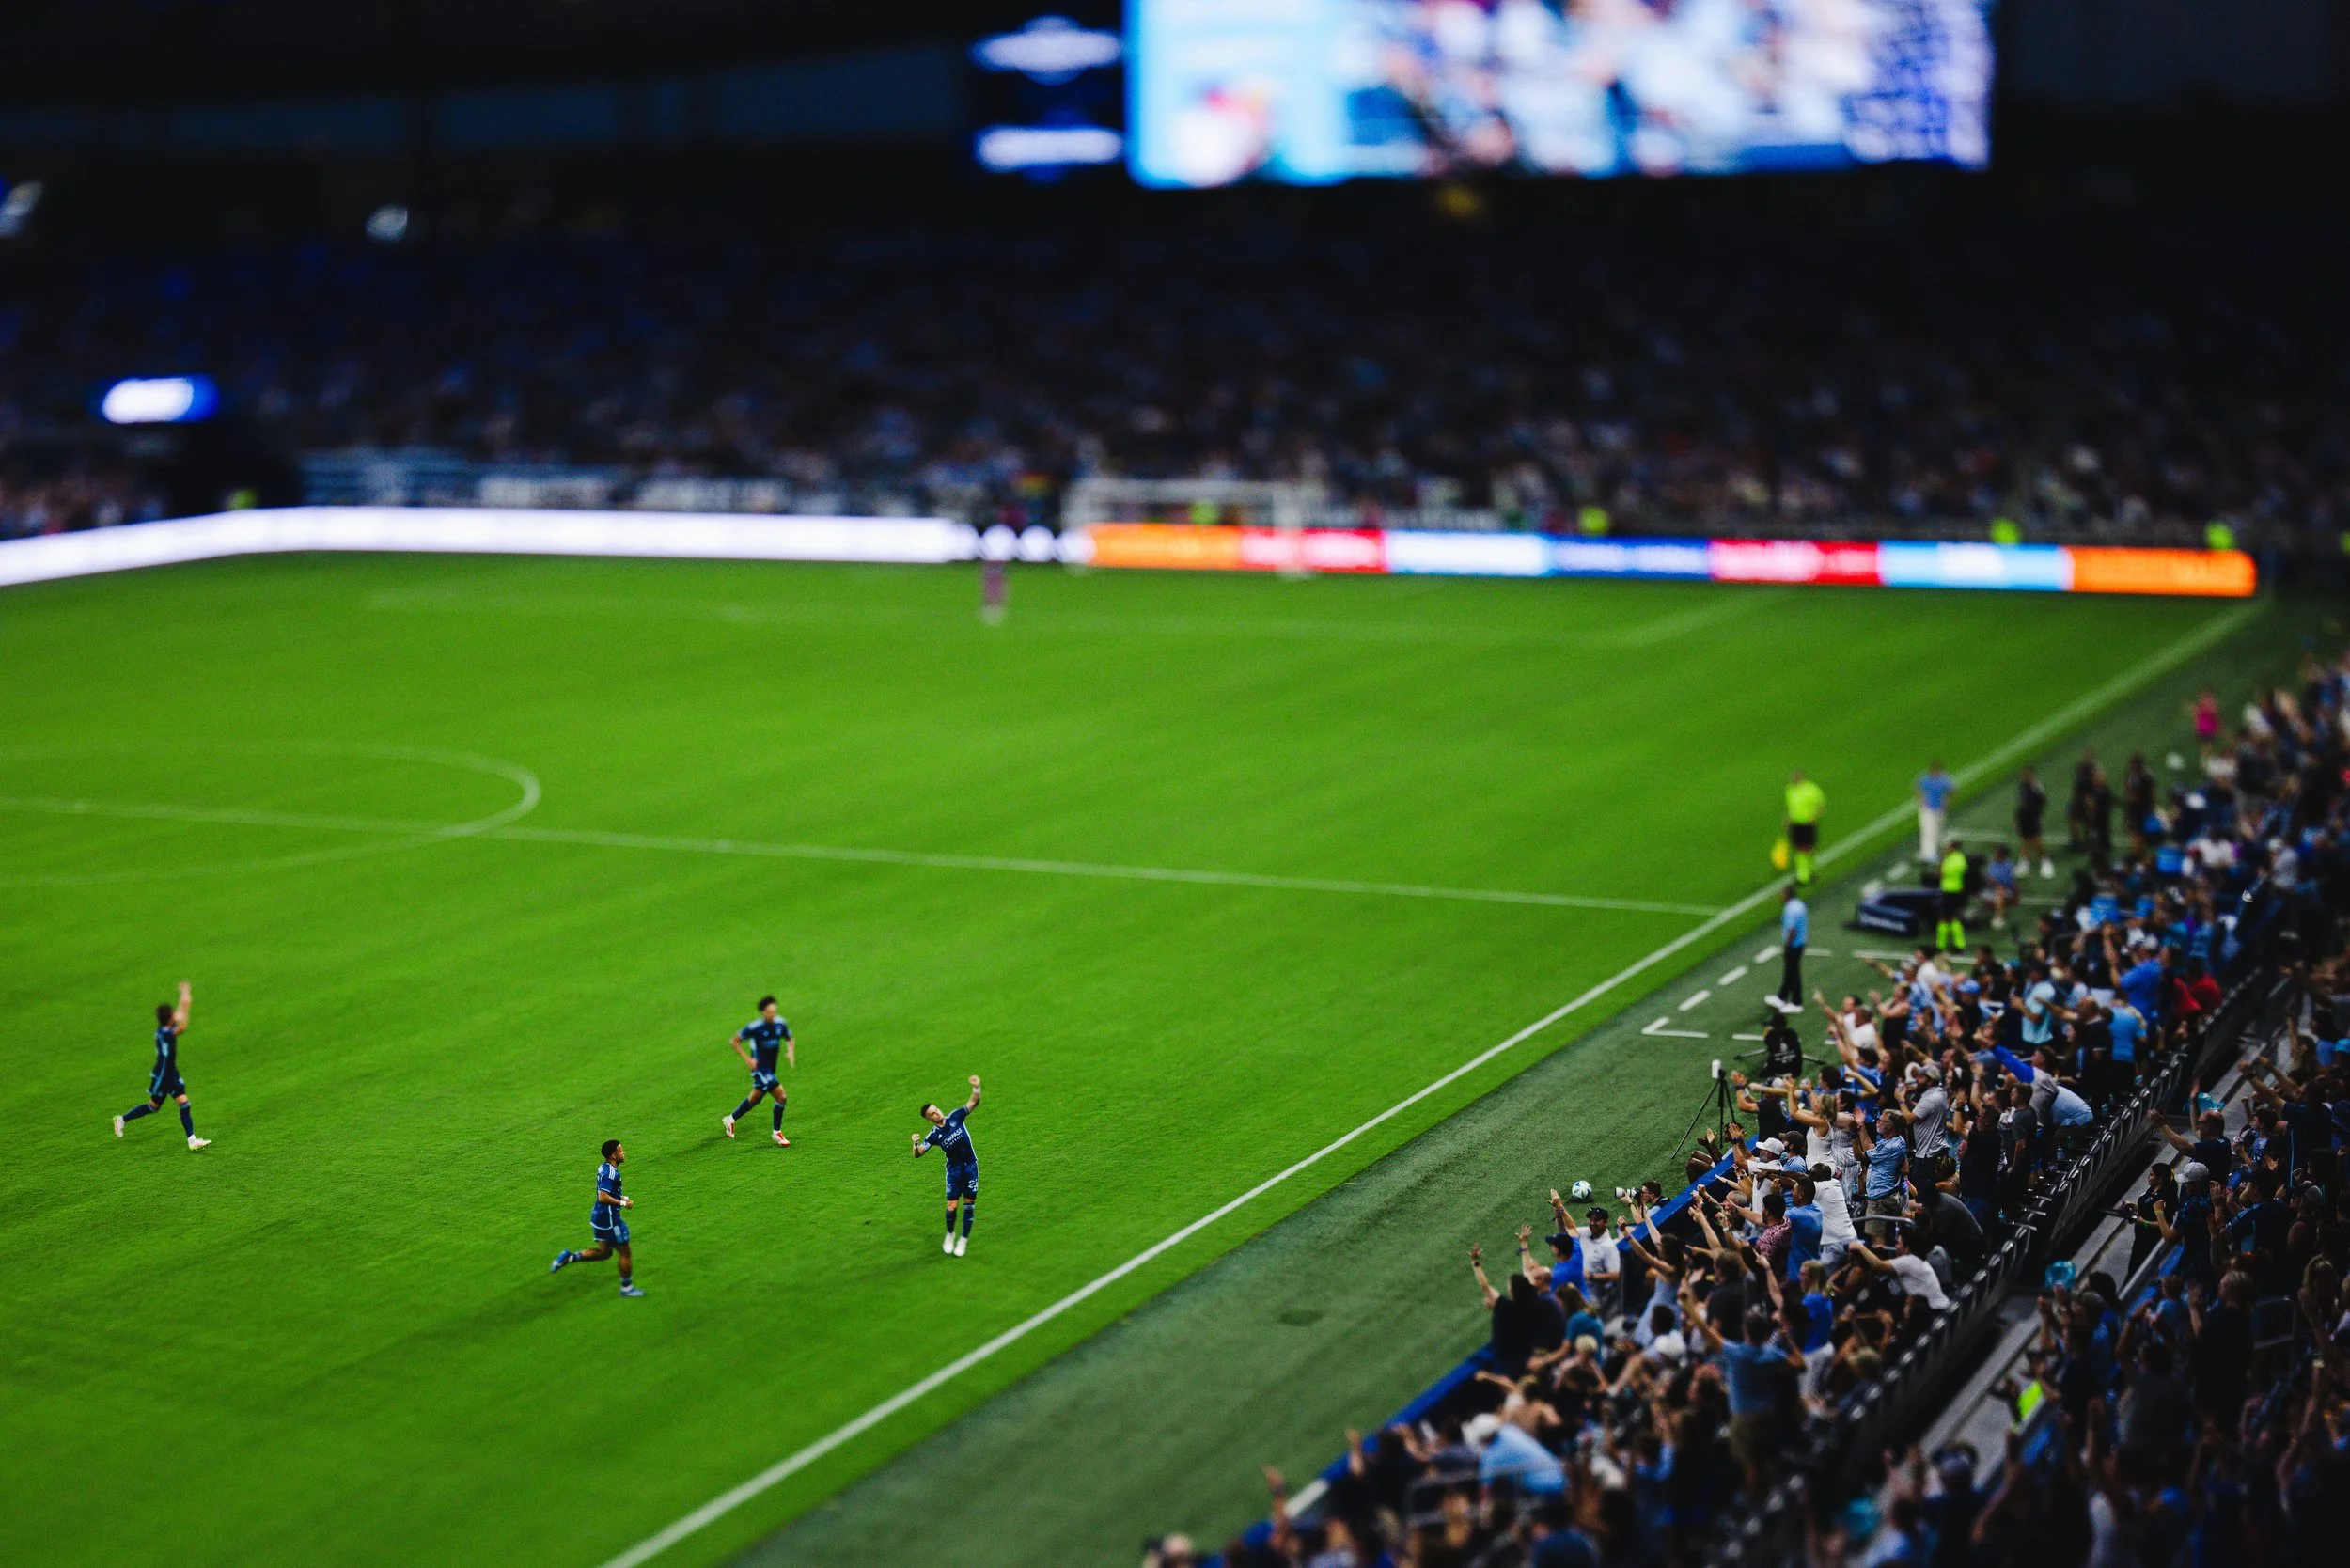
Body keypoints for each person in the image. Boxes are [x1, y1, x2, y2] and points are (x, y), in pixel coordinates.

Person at [113, 980, 209, 1152]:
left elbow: (179, 1015)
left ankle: (192, 1140)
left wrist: (184, 995)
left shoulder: (165, 1027)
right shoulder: (165, 1033)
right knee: (153, 1107)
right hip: (163, 1076)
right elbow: (182, 1026)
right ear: (169, 1018)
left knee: (184, 1103)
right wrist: (186, 1002)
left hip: (171, 1072)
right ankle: (122, 1119)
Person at [551, 1138, 645, 1296]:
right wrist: (623, 1203)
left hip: (599, 1216)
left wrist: (621, 1197)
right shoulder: (611, 1173)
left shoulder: (603, 1167)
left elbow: (606, 1192)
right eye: (621, 1151)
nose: (624, 1153)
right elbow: (602, 1196)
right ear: (613, 1155)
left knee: (604, 1253)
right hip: (610, 1219)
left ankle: (570, 1257)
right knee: (625, 1252)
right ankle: (627, 1289)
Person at [914, 1074, 984, 1256]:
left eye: (936, 1109)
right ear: (929, 1119)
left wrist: (976, 1087)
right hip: (954, 1171)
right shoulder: (933, 1136)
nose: (937, 1113)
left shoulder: (956, 1117)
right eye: (932, 1114)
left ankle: (963, 1240)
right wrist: (915, 1144)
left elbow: (973, 1102)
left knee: (969, 1204)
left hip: (970, 1167)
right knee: (952, 1206)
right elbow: (919, 1153)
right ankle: (951, 1234)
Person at [722, 995, 796, 1146]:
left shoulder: (780, 1024)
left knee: (755, 1099)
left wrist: (790, 1052)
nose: (773, 1015)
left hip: (770, 1069)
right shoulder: (755, 1027)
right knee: (781, 1097)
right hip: (760, 1068)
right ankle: (777, 1133)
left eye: (774, 1011)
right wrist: (747, 1059)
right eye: (770, 1012)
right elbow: (734, 1041)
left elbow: (789, 1038)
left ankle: (730, 1119)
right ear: (763, 1012)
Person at [1784, 771, 1825, 887]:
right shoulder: (1790, 790)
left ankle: (1810, 873)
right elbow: (1790, 807)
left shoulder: (1811, 789)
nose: (1794, 780)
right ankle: (1803, 877)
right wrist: (1787, 820)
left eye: (1796, 778)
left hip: (1808, 824)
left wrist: (1814, 817)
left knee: (1809, 849)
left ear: (1802, 778)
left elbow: (1821, 805)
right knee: (1800, 850)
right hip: (1796, 824)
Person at [1771, 885, 1808, 1012]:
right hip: (1800, 943)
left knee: (1793, 973)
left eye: (1782, 894)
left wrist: (1786, 945)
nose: (1780, 896)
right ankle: (1781, 997)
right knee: (1789, 972)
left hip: (1793, 946)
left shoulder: (1791, 910)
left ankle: (1797, 1003)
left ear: (1787, 895)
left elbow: (1792, 930)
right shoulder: (1799, 905)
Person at [2014, 765, 2053, 878]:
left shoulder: (2036, 787)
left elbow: (2043, 801)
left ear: (2031, 775)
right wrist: (2017, 818)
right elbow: (2021, 803)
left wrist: (2037, 813)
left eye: (2026, 774)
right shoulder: (2022, 786)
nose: (2024, 776)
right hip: (2023, 817)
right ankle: (2025, 863)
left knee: (2037, 840)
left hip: (2033, 817)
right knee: (2024, 840)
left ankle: (2046, 862)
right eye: (2023, 774)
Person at [1917, 760, 1955, 866]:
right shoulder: (1925, 778)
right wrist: (1921, 800)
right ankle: (1929, 854)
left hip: (1940, 810)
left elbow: (1952, 790)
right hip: (1928, 810)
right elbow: (1918, 788)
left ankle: (1936, 851)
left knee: (1938, 831)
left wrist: (1947, 802)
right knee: (1928, 831)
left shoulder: (1945, 779)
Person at [1936, 842, 1969, 953]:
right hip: (1958, 890)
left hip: (1949, 891)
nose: (1947, 848)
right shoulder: (1961, 859)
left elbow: (1941, 873)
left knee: (1945, 919)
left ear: (1954, 848)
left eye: (1949, 846)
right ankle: (1959, 945)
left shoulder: (1950, 859)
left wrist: (1941, 862)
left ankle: (1942, 946)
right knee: (1953, 918)